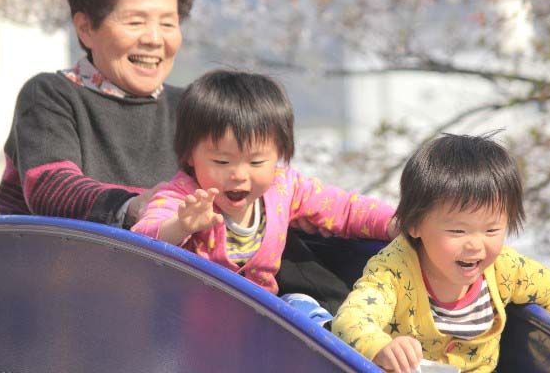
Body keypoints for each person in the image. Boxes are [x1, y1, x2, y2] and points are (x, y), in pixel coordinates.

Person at [131, 69, 398, 315]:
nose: (239, 174)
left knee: (303, 308)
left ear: (279, 155)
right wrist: (180, 226)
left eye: (256, 162)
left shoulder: (283, 187)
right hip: (192, 319)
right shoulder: (185, 197)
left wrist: (396, 223)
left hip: (262, 319)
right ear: (190, 155)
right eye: (222, 162)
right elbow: (140, 240)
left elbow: (345, 209)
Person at [331, 133, 550, 373]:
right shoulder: (393, 270)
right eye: (457, 231)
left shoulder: (505, 268)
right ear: (414, 224)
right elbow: (350, 319)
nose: (475, 245)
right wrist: (380, 347)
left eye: (491, 230)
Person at [0, 0, 197, 228]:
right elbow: (51, 187)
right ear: (86, 28)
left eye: (168, 24)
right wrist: (133, 207)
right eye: (136, 21)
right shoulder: (50, 95)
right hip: (57, 257)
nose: (154, 39)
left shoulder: (192, 109)